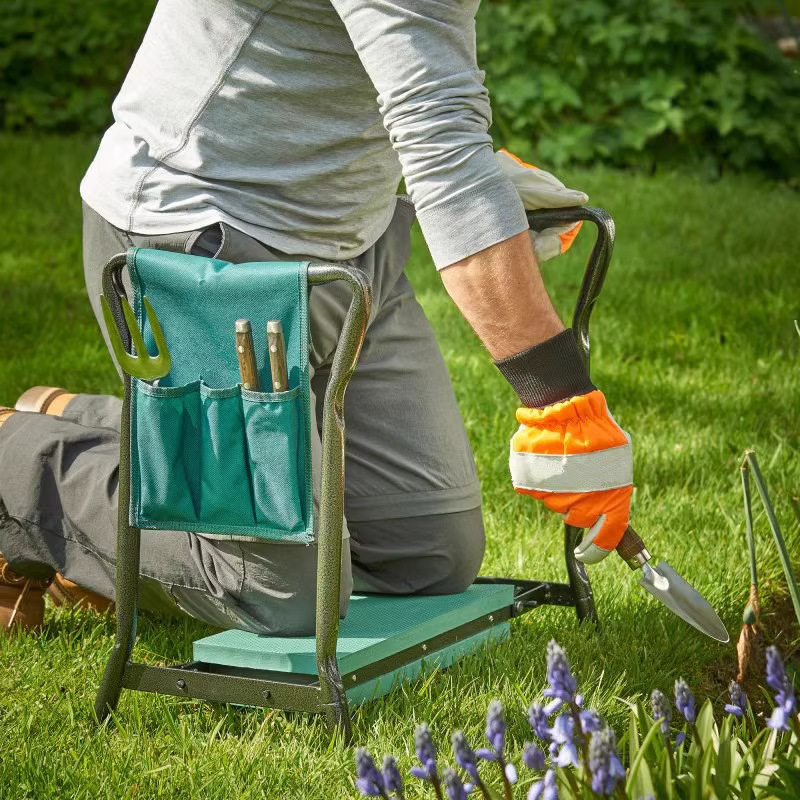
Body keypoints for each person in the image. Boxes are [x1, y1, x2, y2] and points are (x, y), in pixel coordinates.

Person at [0, 0, 633, 635]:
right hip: (203, 241)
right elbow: (440, 142)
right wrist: (559, 398)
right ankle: (17, 458)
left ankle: (111, 427)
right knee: (279, 592)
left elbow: (406, 61)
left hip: (350, 248)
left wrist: (480, 178)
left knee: (427, 556)